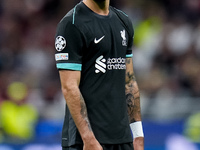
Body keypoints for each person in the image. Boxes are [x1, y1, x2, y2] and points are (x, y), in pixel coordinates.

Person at [54, 0, 144, 150]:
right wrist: (87, 137)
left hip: (122, 139)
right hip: (85, 142)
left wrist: (138, 134)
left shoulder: (123, 21)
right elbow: (69, 87)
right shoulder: (72, 23)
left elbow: (129, 81)